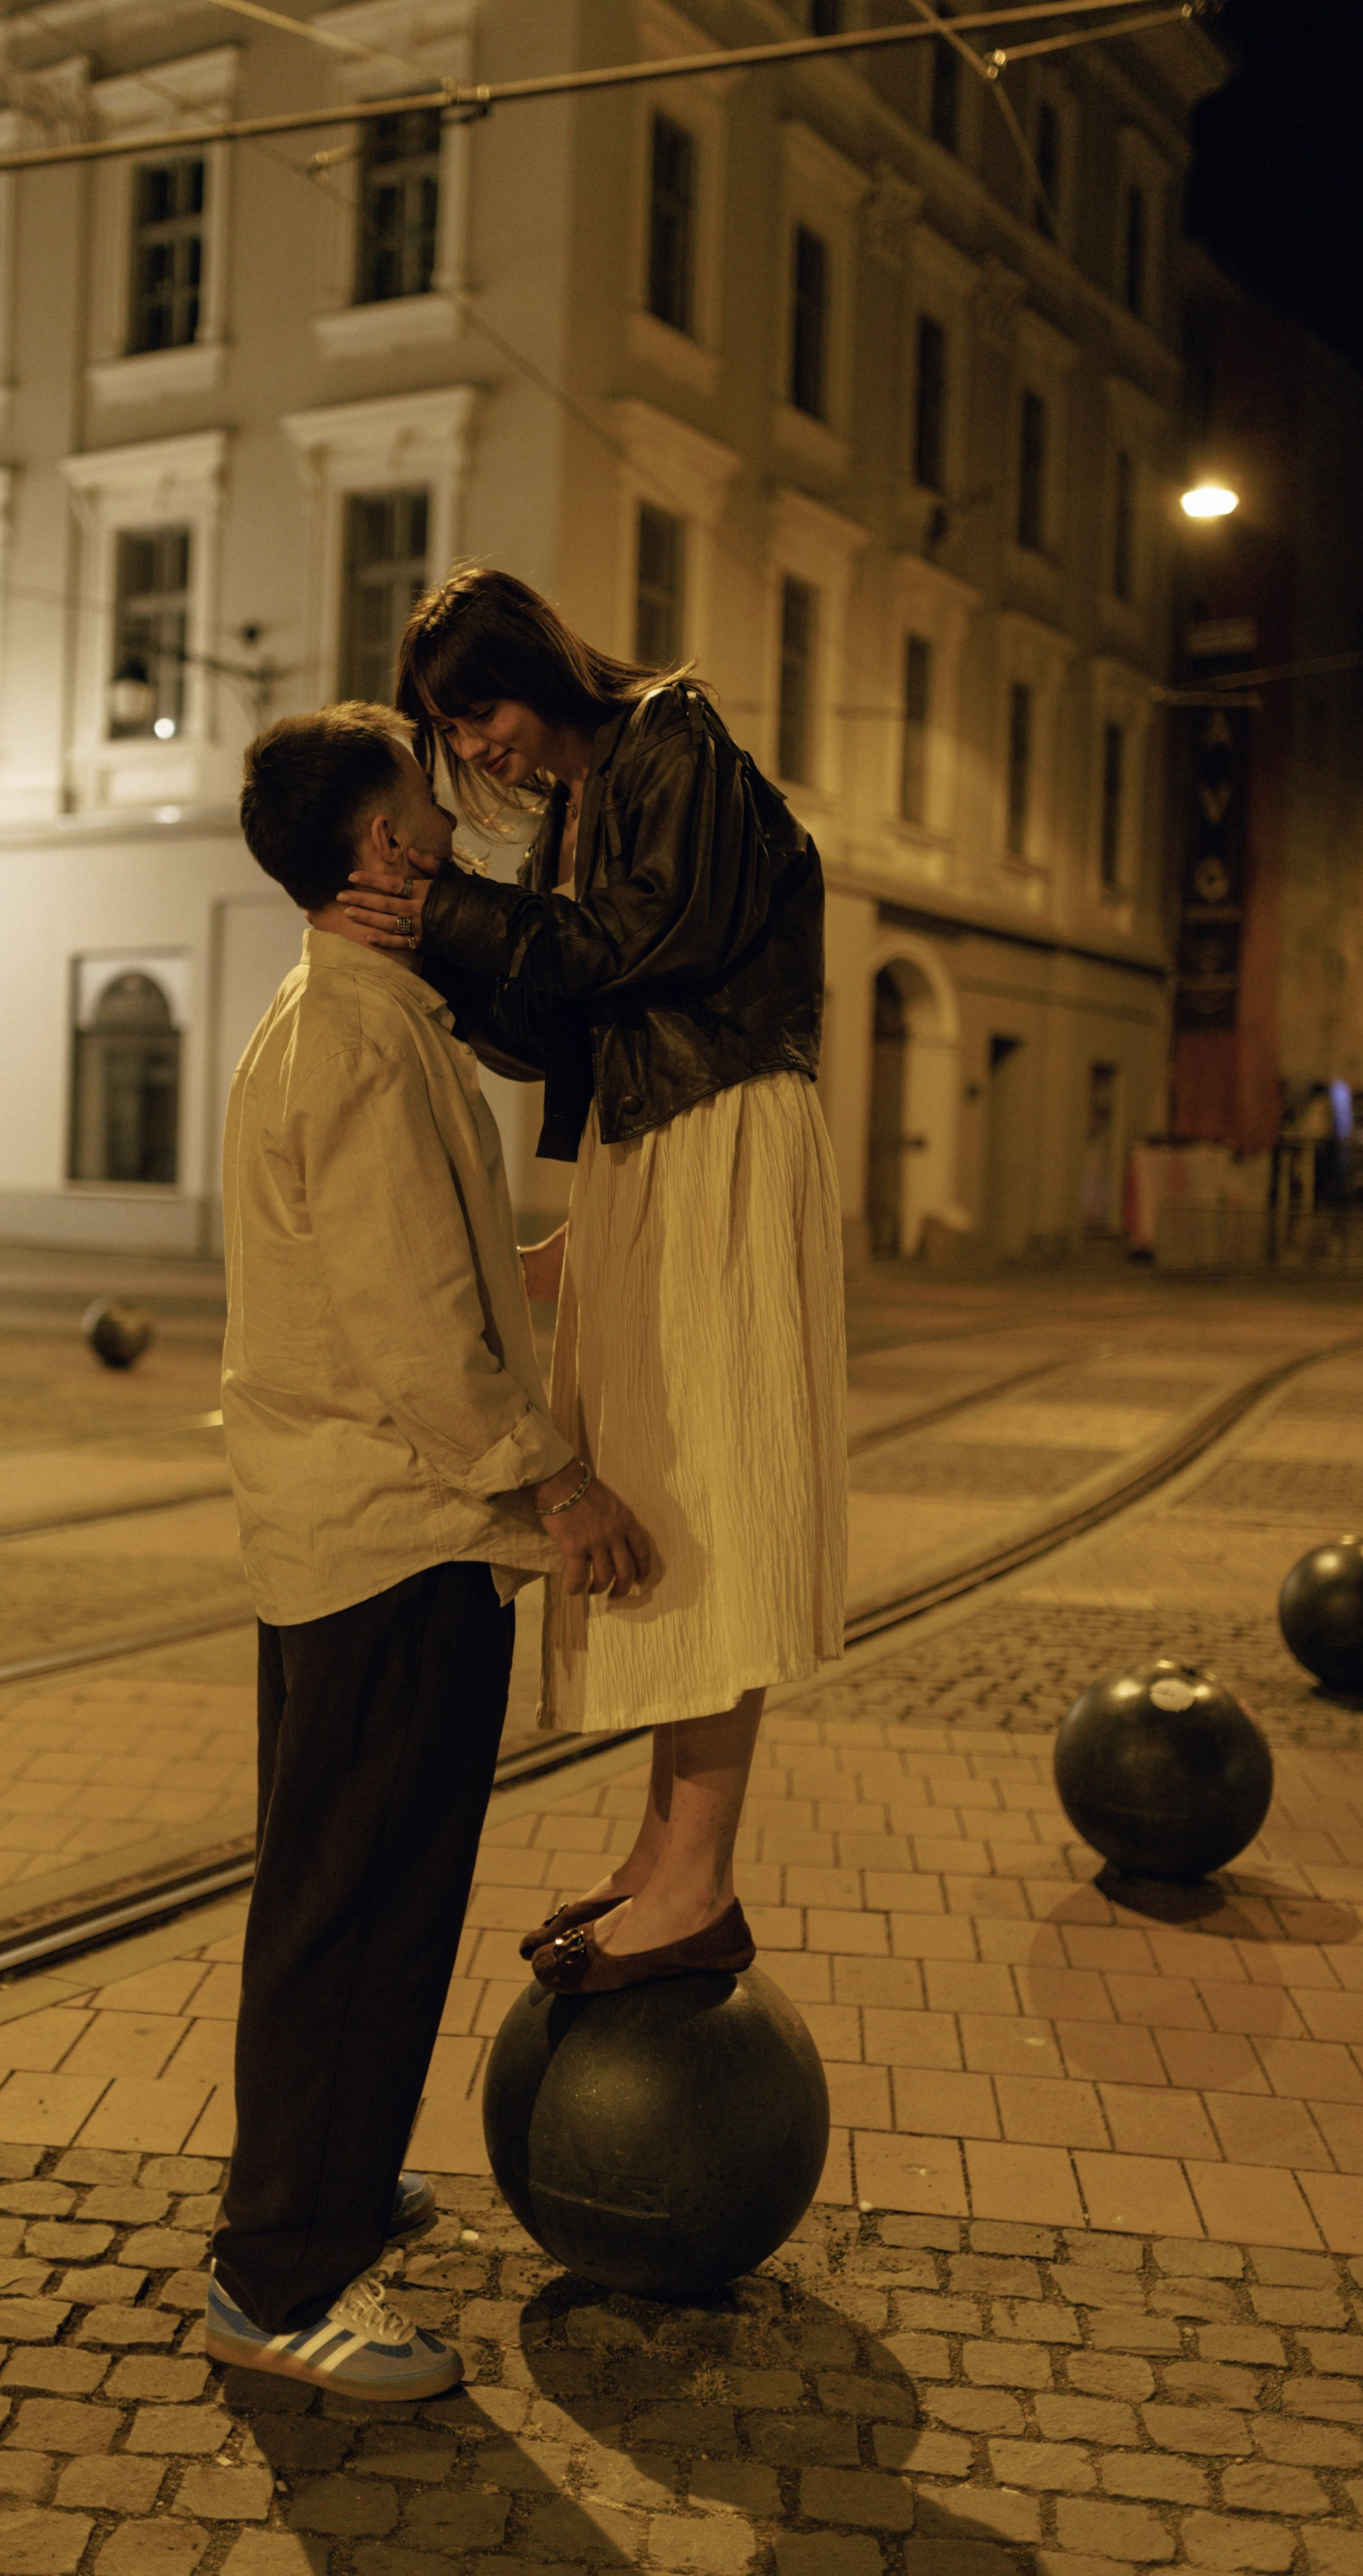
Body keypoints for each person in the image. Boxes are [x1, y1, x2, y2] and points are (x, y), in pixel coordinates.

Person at [209, 699, 653, 2400]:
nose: (460, 831)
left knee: (354, 1894)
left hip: (357, 1532)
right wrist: (555, 1483)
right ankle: (279, 2283)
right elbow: (404, 1328)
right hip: (393, 1538)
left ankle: (317, 2180)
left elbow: (402, 1266)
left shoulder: (349, 1020)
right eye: (431, 810)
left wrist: (538, 1260)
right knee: (360, 1907)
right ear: (383, 852)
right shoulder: (363, 1042)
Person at [338, 566, 846, 1997]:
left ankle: (700, 1880)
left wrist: (445, 911)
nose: (479, 744)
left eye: (481, 707)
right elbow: (556, 1015)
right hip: (658, 1148)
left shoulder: (667, 735)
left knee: (712, 1505)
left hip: (720, 1131)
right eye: (453, 729)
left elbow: (636, 947)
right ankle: (658, 1852)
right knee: (677, 1496)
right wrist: (421, 934)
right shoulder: (582, 803)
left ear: (540, 668)